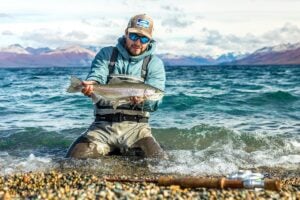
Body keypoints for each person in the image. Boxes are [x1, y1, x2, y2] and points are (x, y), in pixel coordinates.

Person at [66, 14, 166, 159]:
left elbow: (156, 102)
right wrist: (91, 84)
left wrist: (145, 100)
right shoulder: (106, 54)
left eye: (144, 39)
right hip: (101, 128)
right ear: (126, 33)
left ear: (150, 40)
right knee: (72, 161)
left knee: (160, 163)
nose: (138, 42)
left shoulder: (154, 63)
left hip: (137, 130)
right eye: (133, 36)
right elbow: (97, 75)